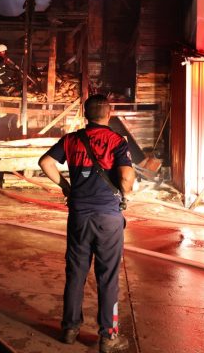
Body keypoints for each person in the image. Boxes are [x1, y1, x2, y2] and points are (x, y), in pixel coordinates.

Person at [38, 94, 135, 353]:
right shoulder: (117, 142)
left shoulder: (72, 139)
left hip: (79, 216)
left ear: (85, 114)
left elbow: (45, 162)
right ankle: (108, 336)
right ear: (109, 113)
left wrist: (66, 186)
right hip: (108, 218)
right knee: (108, 277)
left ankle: (70, 329)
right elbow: (126, 176)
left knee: (76, 273)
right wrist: (125, 193)